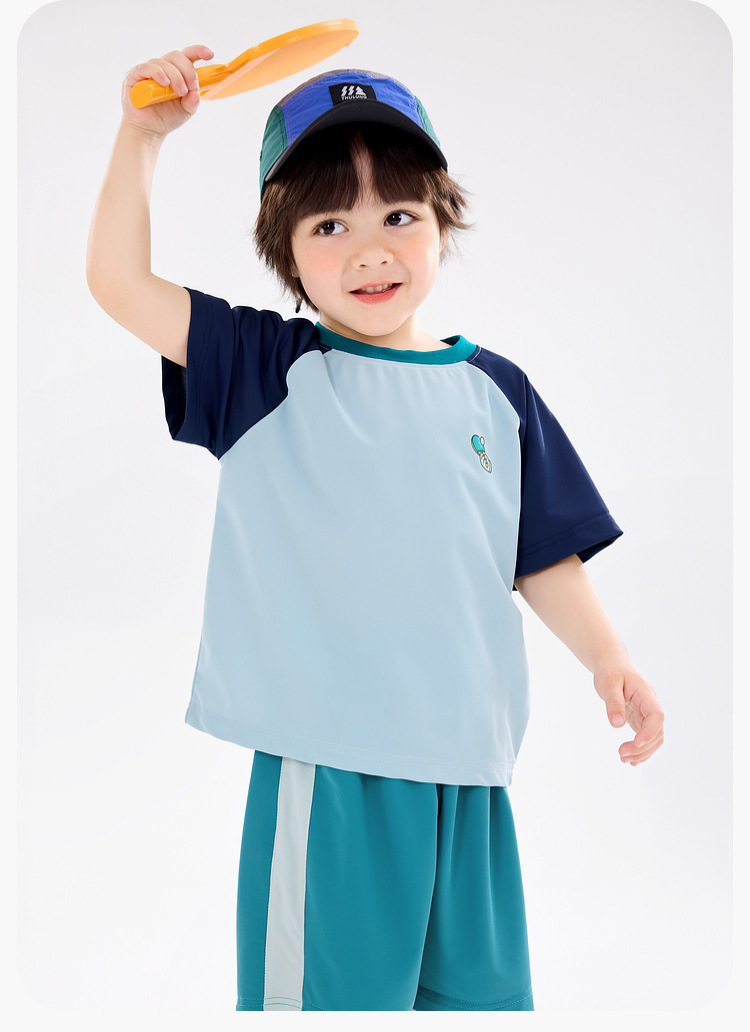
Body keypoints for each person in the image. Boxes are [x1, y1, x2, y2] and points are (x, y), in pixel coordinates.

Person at [86, 45, 665, 1012]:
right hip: (334, 771)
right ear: (285, 252)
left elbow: (541, 551)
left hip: (470, 778)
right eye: (329, 224)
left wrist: (610, 660)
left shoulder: (497, 391)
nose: (370, 250)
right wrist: (141, 138)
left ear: (443, 223)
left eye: (399, 215)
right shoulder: (264, 369)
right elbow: (117, 281)